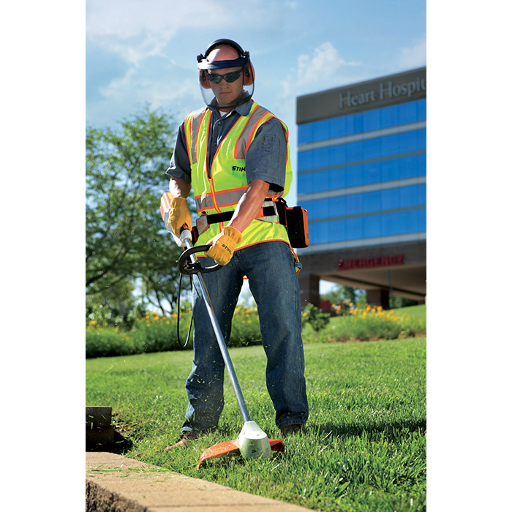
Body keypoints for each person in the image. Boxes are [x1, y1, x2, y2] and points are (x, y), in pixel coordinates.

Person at [163, 39, 308, 451]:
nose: (221, 82)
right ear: (203, 77)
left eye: (229, 74)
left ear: (246, 74)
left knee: (282, 329)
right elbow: (180, 174)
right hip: (209, 245)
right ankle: (199, 427)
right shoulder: (191, 125)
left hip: (263, 237)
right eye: (213, 75)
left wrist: (232, 236)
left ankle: (293, 421)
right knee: (208, 336)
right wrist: (175, 197)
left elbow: (258, 186)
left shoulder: (266, 125)